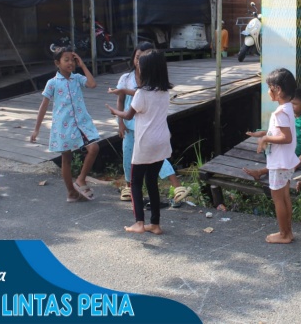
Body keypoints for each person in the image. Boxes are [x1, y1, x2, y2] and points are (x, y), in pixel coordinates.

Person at [109, 42, 188, 206]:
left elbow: (144, 96)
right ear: (133, 58)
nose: (139, 62)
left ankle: (177, 186)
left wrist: (123, 98)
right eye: (137, 58)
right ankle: (128, 186)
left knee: (157, 159)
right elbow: (121, 101)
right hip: (131, 128)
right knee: (128, 155)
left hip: (146, 128)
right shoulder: (126, 78)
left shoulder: (152, 84)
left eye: (143, 59)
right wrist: (120, 124)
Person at [107, 49, 173, 235]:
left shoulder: (142, 94)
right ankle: (156, 224)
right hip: (162, 142)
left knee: (135, 182)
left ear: (147, 70)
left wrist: (115, 112)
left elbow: (128, 114)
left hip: (145, 142)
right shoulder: (164, 91)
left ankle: (139, 222)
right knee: (152, 181)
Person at [31, 47, 99, 203]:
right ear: (57, 63)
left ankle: (81, 180)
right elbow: (43, 106)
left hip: (82, 123)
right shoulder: (52, 83)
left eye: (72, 60)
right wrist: (36, 129)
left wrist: (82, 65)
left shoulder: (77, 78)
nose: (70, 63)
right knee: (66, 158)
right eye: (66, 60)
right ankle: (71, 193)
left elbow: (92, 84)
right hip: (63, 126)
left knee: (94, 148)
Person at [242, 68, 299, 244]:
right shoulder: (287, 108)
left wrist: (266, 138)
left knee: (278, 199)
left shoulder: (280, 112)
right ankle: (288, 232)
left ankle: (283, 234)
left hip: (279, 163)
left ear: (278, 89)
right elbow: (280, 132)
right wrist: (261, 134)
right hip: (287, 162)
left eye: (269, 87)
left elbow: (285, 137)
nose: (268, 91)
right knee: (285, 196)